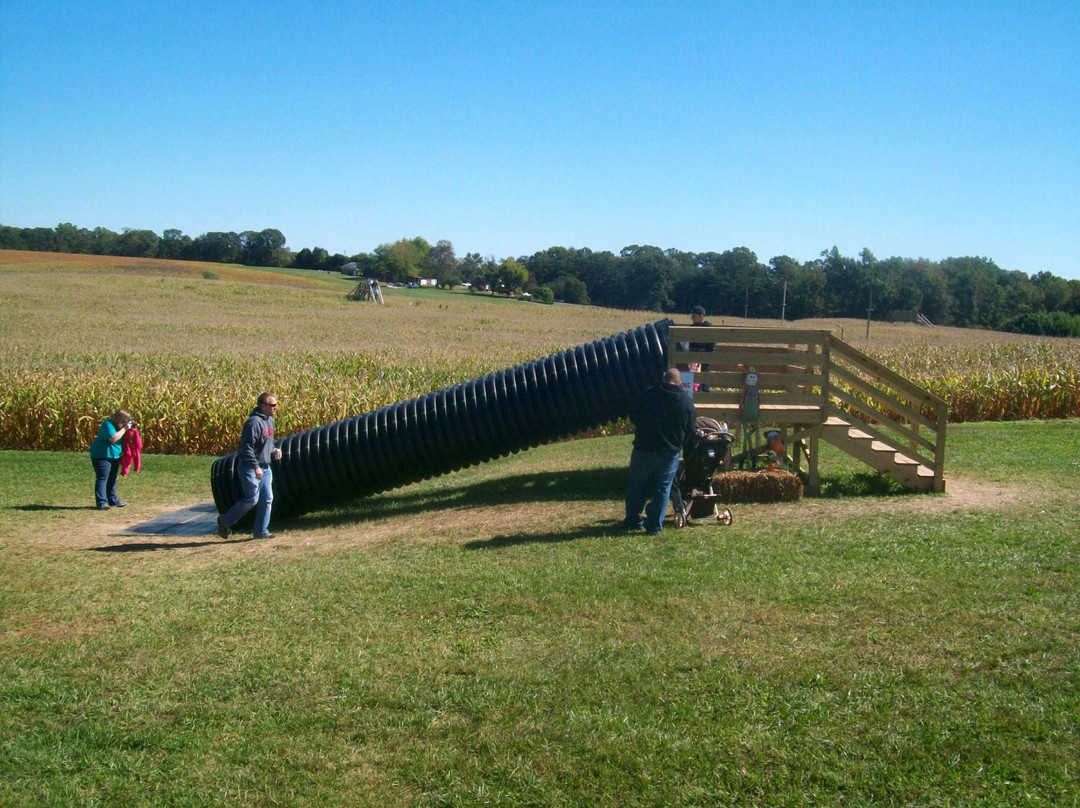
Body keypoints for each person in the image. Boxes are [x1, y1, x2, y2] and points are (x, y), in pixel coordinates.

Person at [622, 368, 697, 535]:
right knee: (662, 488)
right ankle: (655, 526)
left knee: (637, 486)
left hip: (644, 448)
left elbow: (633, 417)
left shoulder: (647, 395)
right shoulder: (686, 402)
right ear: (679, 383)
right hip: (669, 452)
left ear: (663, 379)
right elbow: (690, 430)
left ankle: (633, 520)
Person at [217, 393, 282, 540]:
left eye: (275, 405)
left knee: (267, 499)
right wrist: (255, 467)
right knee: (252, 498)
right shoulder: (254, 423)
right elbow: (246, 448)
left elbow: (268, 441)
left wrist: (275, 449)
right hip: (250, 467)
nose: (275, 408)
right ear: (262, 406)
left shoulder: (270, 421)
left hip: (266, 467)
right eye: (272, 405)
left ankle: (261, 531)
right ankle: (224, 520)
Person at [89, 409, 135, 510]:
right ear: (119, 419)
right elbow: (113, 438)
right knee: (102, 478)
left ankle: (113, 499)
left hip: (115, 456)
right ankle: (102, 502)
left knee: (112, 478)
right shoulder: (107, 424)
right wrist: (125, 429)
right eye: (123, 421)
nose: (124, 424)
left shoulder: (120, 427)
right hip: (101, 455)